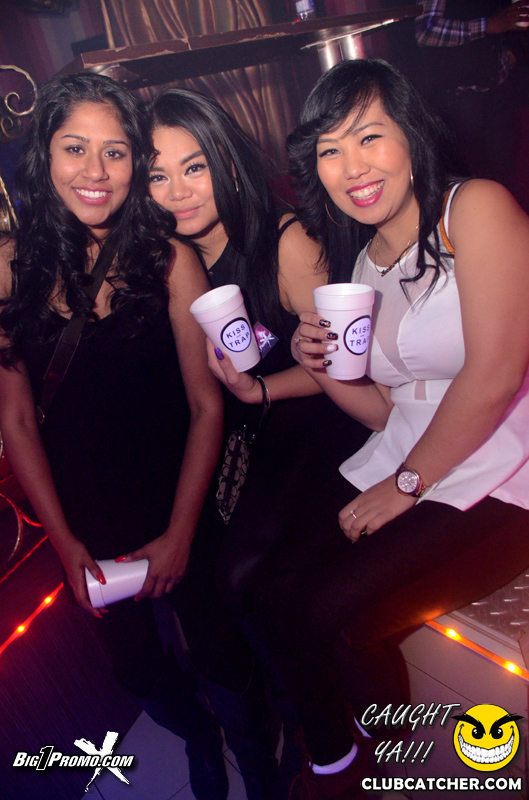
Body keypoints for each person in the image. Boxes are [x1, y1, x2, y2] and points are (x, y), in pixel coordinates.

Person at [228, 59, 529, 799]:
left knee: (333, 614)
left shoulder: (474, 208)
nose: (351, 167)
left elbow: (495, 374)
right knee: (269, 585)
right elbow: (388, 410)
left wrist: (406, 484)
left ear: (411, 135)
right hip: (412, 454)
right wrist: (323, 367)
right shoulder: (364, 264)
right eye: (329, 151)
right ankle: (340, 751)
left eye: (369, 137)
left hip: (506, 467)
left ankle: (381, 761)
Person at [0, 72, 232, 800]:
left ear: (136, 160)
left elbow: (205, 407)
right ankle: (197, 735)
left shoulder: (171, 260)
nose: (95, 172)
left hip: (180, 495)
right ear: (45, 153)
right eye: (75, 148)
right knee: (135, 665)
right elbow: (15, 420)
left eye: (115, 152)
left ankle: (258, 759)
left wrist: (182, 534)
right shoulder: (7, 268)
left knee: (223, 648)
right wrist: (63, 539)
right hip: (86, 511)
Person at [147, 88, 371, 799]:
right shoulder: (171, 263)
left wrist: (262, 390)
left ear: (226, 162)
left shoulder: (285, 242)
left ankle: (331, 747)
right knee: (217, 579)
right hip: (252, 440)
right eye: (157, 175)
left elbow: (349, 371)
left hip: (324, 432)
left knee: (245, 577)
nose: (177, 192)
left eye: (193, 167)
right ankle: (294, 723)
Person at [415, 0, 529, 196]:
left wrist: (514, 51)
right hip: (459, 98)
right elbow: (426, 31)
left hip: (499, 87)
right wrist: (488, 26)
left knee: (504, 175)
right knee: (469, 180)